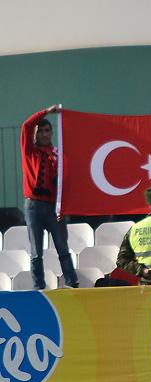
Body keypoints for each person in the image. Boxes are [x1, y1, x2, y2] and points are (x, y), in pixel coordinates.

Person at [20, 105, 79, 289]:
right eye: (40, 131)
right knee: (36, 252)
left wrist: (65, 206)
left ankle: (72, 283)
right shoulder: (29, 151)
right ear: (35, 134)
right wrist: (46, 112)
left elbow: (68, 181)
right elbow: (26, 126)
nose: (44, 134)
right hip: (34, 205)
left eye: (47, 130)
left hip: (55, 206)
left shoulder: (59, 154)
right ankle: (39, 288)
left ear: (51, 133)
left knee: (62, 248)